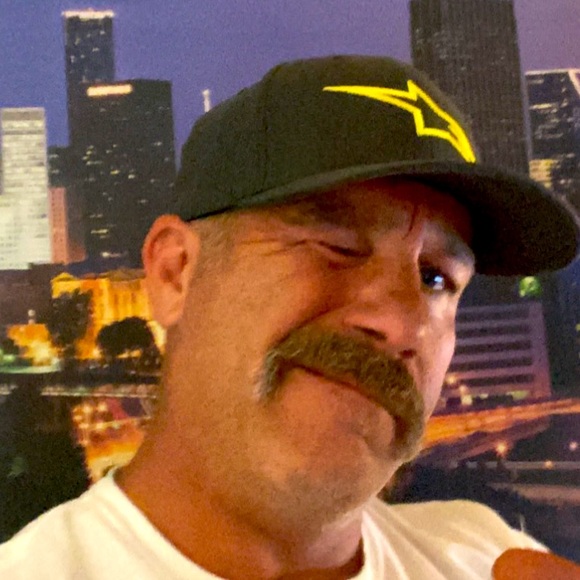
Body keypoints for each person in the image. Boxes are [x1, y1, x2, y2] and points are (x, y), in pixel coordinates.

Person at [0, 55, 577, 579]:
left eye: (436, 279)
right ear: (175, 274)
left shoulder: (486, 556)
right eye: (338, 246)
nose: (405, 323)